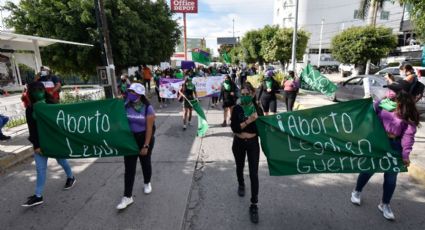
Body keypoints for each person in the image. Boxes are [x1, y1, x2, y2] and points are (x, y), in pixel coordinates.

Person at [350, 87, 419, 221]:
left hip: (395, 146)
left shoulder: (406, 112)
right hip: (378, 142)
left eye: (395, 97)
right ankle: (357, 191)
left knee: (391, 178)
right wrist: (379, 101)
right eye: (392, 96)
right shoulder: (382, 105)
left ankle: (385, 204)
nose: (393, 98)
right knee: (368, 169)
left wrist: (405, 155)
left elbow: (408, 136)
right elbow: (368, 113)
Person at [22, 81, 76, 207]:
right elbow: (32, 129)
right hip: (40, 143)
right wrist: (36, 146)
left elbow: (61, 121)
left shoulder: (52, 104)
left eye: (40, 90)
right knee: (40, 170)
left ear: (44, 90)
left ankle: (71, 177)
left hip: (53, 141)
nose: (38, 93)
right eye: (35, 91)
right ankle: (38, 196)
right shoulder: (30, 109)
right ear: (31, 93)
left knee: (62, 161)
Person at [117, 83, 156, 210]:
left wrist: (146, 145)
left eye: (132, 92)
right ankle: (127, 197)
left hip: (144, 138)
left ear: (139, 94)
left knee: (145, 163)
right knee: (129, 168)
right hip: (130, 140)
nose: (129, 93)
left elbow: (150, 129)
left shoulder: (147, 108)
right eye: (129, 91)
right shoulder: (125, 104)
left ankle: (147, 182)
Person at [230, 82, 264, 224]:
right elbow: (235, 128)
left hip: (252, 144)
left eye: (246, 94)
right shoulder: (237, 108)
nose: (244, 97)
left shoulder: (257, 108)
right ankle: (241, 184)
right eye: (242, 94)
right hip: (238, 143)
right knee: (239, 167)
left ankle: (254, 204)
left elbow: (263, 128)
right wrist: (249, 120)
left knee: (254, 173)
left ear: (252, 93)